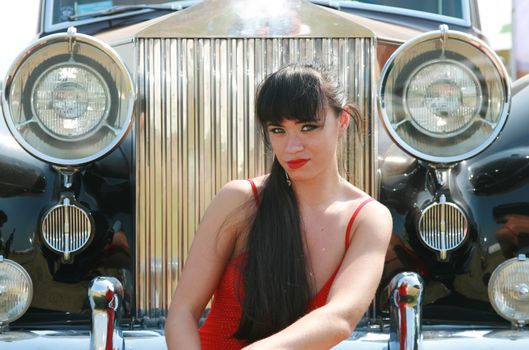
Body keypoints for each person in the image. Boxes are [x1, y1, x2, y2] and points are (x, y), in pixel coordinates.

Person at [165, 63, 392, 349]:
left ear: (342, 122)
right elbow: (182, 312)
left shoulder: (368, 218)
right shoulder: (239, 200)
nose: (291, 146)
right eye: (278, 130)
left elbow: (340, 318)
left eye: (308, 127)